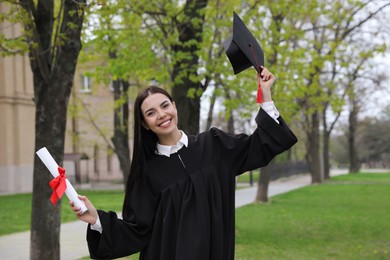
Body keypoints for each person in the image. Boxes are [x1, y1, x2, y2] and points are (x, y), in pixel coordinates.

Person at [70, 66, 297, 259]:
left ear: (175, 106)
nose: (161, 114)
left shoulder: (214, 146)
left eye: (165, 105)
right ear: (145, 124)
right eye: (151, 112)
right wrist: (97, 220)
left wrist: (265, 94)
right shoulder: (147, 173)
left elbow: (260, 146)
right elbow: (137, 230)